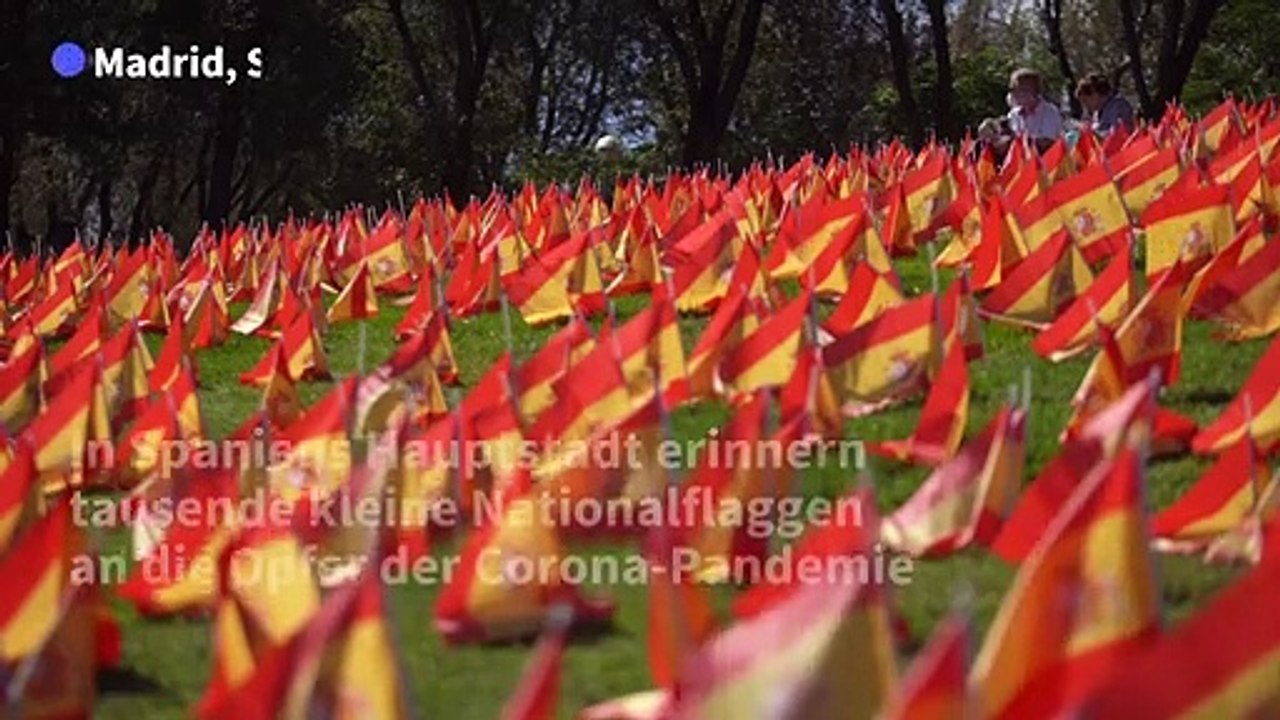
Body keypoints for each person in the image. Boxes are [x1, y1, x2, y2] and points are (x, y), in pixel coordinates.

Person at [1005, 68, 1063, 151]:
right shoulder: (1013, 115)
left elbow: (1047, 143)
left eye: (1024, 89)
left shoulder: (1050, 112)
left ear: (1037, 91)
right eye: (1015, 89)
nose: (1018, 93)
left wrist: (1019, 141)